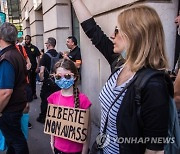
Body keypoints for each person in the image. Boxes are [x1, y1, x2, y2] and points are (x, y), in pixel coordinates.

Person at [71, 1, 172, 153]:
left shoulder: (153, 85)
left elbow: (155, 149)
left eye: (117, 30)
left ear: (135, 34)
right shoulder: (119, 63)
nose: (112, 36)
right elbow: (92, 30)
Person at [48, 58, 91, 154]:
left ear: (74, 77)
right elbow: (52, 124)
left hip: (77, 150)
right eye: (58, 77)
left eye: (67, 76)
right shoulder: (52, 98)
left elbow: (87, 129)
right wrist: (52, 142)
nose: (63, 79)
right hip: (58, 148)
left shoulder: (83, 100)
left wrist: (84, 151)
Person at [0, 22, 29, 153]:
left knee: (16, 140)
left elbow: (6, 92)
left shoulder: (7, 57)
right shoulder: (15, 54)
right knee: (13, 140)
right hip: (16, 105)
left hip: (9, 108)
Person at [37, 37, 62, 124]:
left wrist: (41, 78)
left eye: (46, 43)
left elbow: (42, 70)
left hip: (48, 81)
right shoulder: (59, 55)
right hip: (58, 80)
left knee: (45, 98)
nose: (46, 45)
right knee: (57, 98)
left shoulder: (45, 56)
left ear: (49, 44)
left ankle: (43, 117)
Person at [24, 35, 41, 99]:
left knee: (33, 81)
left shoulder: (34, 48)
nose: (26, 40)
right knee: (27, 82)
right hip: (26, 68)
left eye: (27, 39)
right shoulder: (23, 48)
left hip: (33, 67)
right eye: (25, 39)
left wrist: (38, 67)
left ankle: (34, 93)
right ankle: (28, 94)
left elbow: (38, 57)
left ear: (30, 40)